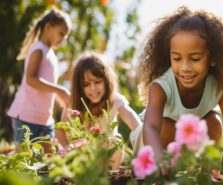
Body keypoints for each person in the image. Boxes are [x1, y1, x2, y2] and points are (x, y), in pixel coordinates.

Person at [136, 6, 223, 171]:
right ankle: (162, 176)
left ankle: (211, 175)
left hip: (187, 145)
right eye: (177, 58)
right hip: (151, 146)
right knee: (166, 124)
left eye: (195, 58)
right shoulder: (160, 87)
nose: (185, 67)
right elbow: (150, 127)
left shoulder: (219, 87)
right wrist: (159, 161)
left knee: (214, 121)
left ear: (213, 57)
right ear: (169, 56)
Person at [56, 51, 142, 170]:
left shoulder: (115, 100)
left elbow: (135, 123)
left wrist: (144, 140)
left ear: (107, 80)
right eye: (86, 84)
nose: (93, 88)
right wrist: (68, 149)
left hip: (108, 160)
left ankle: (109, 179)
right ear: (79, 86)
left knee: (116, 142)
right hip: (83, 160)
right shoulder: (74, 102)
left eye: (97, 82)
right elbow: (60, 131)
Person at [7, 7, 72, 150]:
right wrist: (60, 90)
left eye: (65, 36)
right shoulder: (39, 49)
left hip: (44, 119)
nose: (63, 39)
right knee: (24, 162)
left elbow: (45, 86)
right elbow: (31, 79)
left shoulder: (51, 55)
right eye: (61, 34)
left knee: (46, 160)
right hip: (26, 117)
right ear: (48, 27)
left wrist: (58, 97)